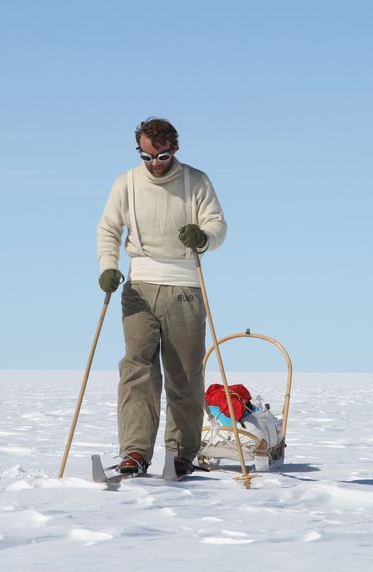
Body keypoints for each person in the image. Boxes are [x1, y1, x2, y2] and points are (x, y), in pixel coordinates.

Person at [97, 117, 227, 477]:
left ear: (175, 149)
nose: (154, 164)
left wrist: (202, 237)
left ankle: (181, 452)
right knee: (137, 368)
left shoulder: (195, 182)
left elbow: (218, 226)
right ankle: (135, 452)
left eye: (162, 156)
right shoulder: (127, 183)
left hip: (185, 286)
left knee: (184, 374)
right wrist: (108, 266)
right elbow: (108, 228)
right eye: (147, 156)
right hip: (139, 285)